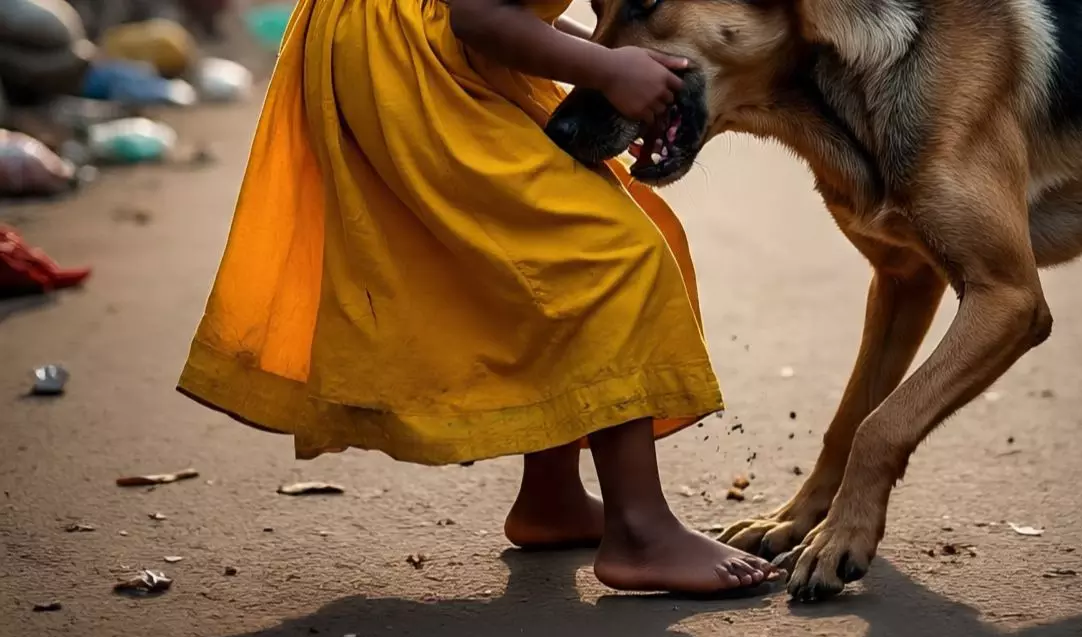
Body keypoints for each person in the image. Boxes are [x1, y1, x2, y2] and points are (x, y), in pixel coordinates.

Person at [177, 0, 780, 594]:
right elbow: (480, 13)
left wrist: (606, 55)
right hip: (419, 66)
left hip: (426, 50)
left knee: (534, 266)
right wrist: (607, 70)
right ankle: (640, 532)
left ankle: (552, 499)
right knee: (608, 259)